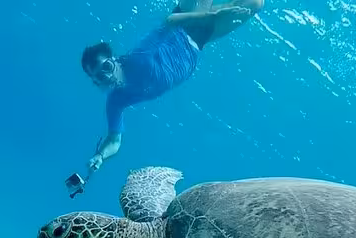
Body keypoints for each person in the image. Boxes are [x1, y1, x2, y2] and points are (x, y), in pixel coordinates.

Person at [78, 0, 263, 176]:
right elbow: (114, 140)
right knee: (256, 3)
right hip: (198, 42)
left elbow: (168, 22)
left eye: (107, 67)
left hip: (186, 24)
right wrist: (100, 156)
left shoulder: (138, 58)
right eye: (100, 77)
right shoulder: (116, 101)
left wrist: (212, 15)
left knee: (238, 7)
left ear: (115, 59)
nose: (107, 77)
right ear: (97, 83)